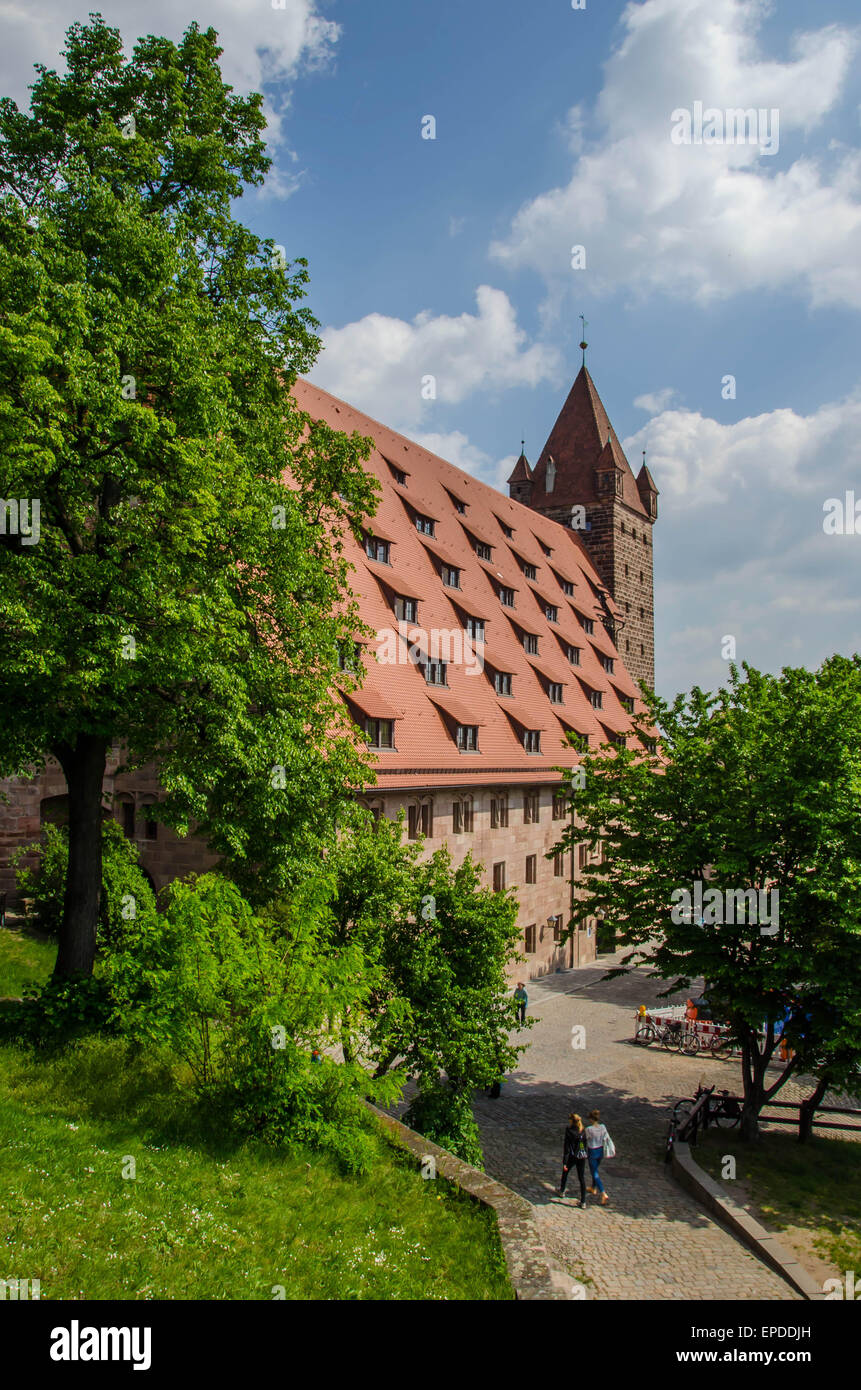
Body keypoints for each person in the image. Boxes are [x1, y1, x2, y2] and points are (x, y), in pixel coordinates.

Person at [558, 1112, 588, 1206]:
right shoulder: (583, 1130)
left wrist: (565, 1162)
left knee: (565, 1172)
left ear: (571, 1121)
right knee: (581, 1178)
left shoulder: (569, 1130)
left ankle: (562, 1191)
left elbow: (566, 1148)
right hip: (581, 1156)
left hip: (572, 1156)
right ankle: (583, 1201)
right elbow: (585, 1144)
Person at [585, 1108, 613, 1205]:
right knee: (595, 1169)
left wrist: (581, 1150)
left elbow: (584, 1140)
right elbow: (606, 1138)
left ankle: (603, 1193)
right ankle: (593, 1188)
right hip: (600, 1151)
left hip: (592, 1151)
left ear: (591, 1119)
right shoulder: (603, 1127)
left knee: (595, 1173)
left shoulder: (589, 1129)